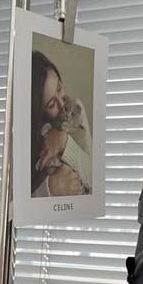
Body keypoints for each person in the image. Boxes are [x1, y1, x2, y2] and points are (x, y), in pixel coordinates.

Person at [30, 51, 92, 197]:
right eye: (52, 104)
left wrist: (64, 142)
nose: (62, 103)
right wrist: (51, 187)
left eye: (59, 88)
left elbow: (93, 175)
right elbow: (15, 205)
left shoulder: (76, 110)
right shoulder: (28, 135)